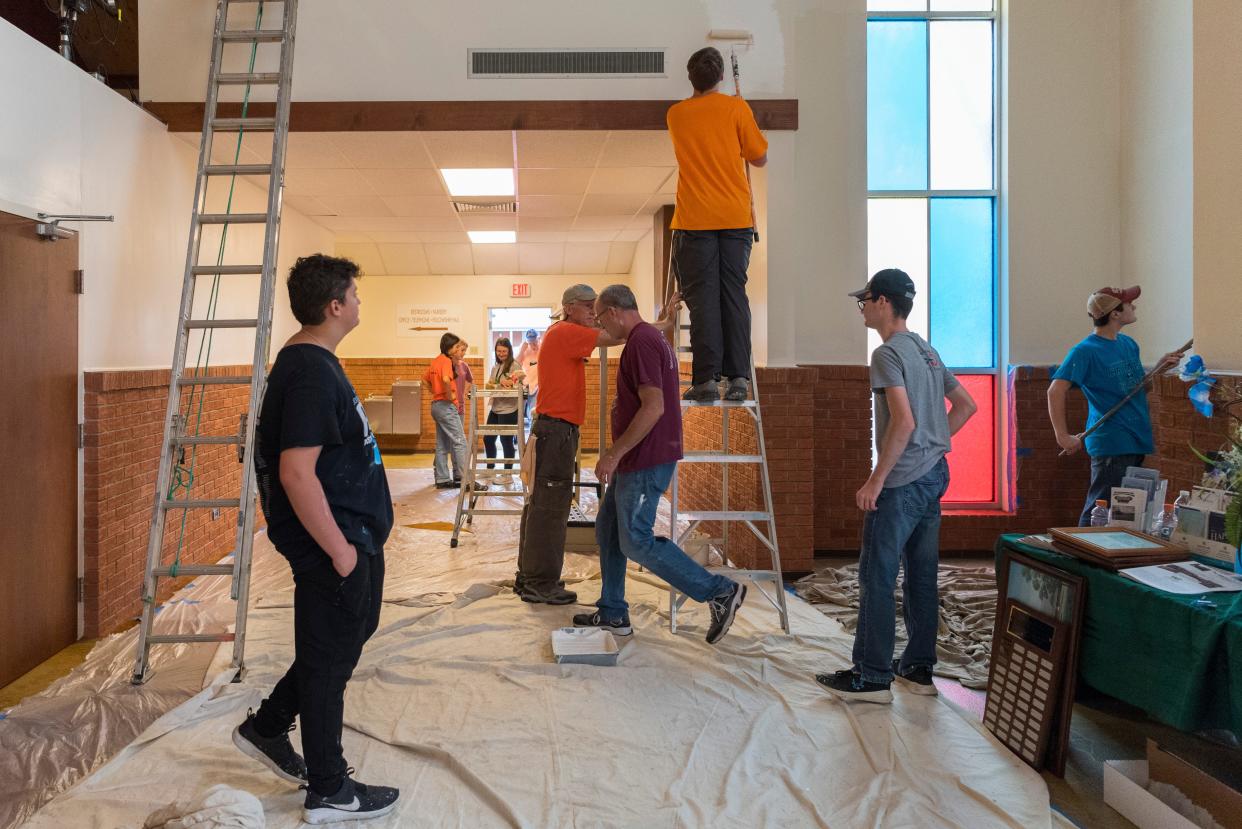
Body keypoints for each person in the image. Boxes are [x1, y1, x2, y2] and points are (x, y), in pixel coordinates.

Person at [232, 254, 399, 823]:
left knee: (347, 637)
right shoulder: (306, 370)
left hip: (353, 536)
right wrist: (339, 550)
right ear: (335, 305)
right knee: (328, 663)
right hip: (334, 542)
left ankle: (269, 725)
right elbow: (295, 473)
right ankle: (329, 787)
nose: (358, 303)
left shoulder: (318, 363)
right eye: (354, 294)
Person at [815, 269, 977, 704]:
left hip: (903, 483)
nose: (862, 308)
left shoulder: (887, 355)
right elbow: (966, 405)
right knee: (922, 575)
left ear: (882, 301)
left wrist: (876, 480)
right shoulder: (926, 351)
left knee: (877, 576)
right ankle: (918, 665)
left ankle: (871, 675)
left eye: (864, 300)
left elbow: (903, 422)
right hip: (934, 474)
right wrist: (933, 444)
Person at [572, 284, 746, 642]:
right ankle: (613, 612)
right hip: (638, 457)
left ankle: (718, 590)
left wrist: (613, 453)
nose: (604, 327)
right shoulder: (648, 337)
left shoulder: (641, 343)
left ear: (616, 312)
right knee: (608, 530)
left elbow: (654, 407)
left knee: (635, 539)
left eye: (603, 318)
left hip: (645, 458)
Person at [515, 284, 680, 604]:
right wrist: (663, 325)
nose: (594, 313)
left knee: (541, 505)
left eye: (596, 307)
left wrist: (658, 323)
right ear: (568, 308)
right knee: (550, 509)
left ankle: (530, 577)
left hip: (553, 432)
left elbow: (624, 332)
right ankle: (539, 583)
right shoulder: (565, 331)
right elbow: (620, 335)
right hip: (556, 432)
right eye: (587, 307)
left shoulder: (561, 334)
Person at [666, 46, 769, 403]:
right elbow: (760, 158)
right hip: (735, 218)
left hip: (694, 220)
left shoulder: (676, 115)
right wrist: (742, 118)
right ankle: (739, 377)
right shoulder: (736, 108)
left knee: (703, 301)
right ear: (722, 77)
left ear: (690, 78)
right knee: (734, 297)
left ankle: (707, 379)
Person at [1047, 286, 1186, 525]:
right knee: (1099, 510)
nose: (1134, 306)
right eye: (1130, 303)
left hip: (1136, 438)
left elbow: (1138, 388)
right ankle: (1079, 558)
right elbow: (1055, 390)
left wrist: (1160, 367)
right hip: (1111, 441)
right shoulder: (1084, 351)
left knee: (1125, 514)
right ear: (1115, 314)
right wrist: (1062, 435)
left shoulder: (1128, 344)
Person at [425, 333, 483, 491]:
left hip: (437, 405)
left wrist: (436, 393)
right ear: (449, 348)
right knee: (460, 442)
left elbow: (425, 379)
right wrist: (451, 397)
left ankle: (443, 479)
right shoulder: (446, 361)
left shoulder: (436, 360)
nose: (460, 350)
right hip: (446, 405)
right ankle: (466, 481)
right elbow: (445, 379)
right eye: (457, 347)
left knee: (442, 443)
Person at [484, 337, 523, 474]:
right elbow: (490, 383)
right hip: (496, 408)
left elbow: (519, 384)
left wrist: (511, 384)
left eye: (504, 351)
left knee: (506, 441)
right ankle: (490, 469)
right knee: (488, 439)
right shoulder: (496, 367)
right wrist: (498, 384)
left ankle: (507, 473)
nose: (501, 353)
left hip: (509, 409)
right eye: (498, 351)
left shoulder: (515, 366)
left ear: (509, 351)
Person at [516, 328, 540, 424]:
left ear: (537, 339)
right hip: (525, 384)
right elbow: (516, 364)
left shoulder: (542, 347)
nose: (533, 345)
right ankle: (517, 437)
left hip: (538, 384)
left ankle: (532, 435)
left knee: (534, 411)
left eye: (534, 342)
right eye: (530, 343)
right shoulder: (524, 348)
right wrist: (522, 351)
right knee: (519, 411)